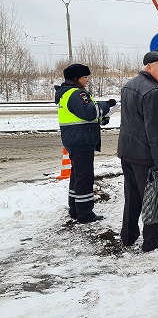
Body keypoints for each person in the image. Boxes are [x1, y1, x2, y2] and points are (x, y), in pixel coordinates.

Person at [117, 50, 158, 252]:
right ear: (148, 67)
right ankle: (151, 241)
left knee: (132, 197)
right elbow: (155, 131)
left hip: (127, 151)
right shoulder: (154, 92)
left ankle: (128, 236)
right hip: (145, 154)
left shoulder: (129, 85)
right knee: (152, 197)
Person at [54, 63, 115, 223]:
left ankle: (75, 209)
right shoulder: (76, 94)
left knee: (77, 176)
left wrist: (100, 119)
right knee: (84, 178)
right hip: (81, 141)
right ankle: (85, 213)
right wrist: (106, 105)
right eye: (85, 77)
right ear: (76, 78)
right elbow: (89, 112)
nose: (87, 80)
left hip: (76, 140)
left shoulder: (67, 94)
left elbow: (84, 116)